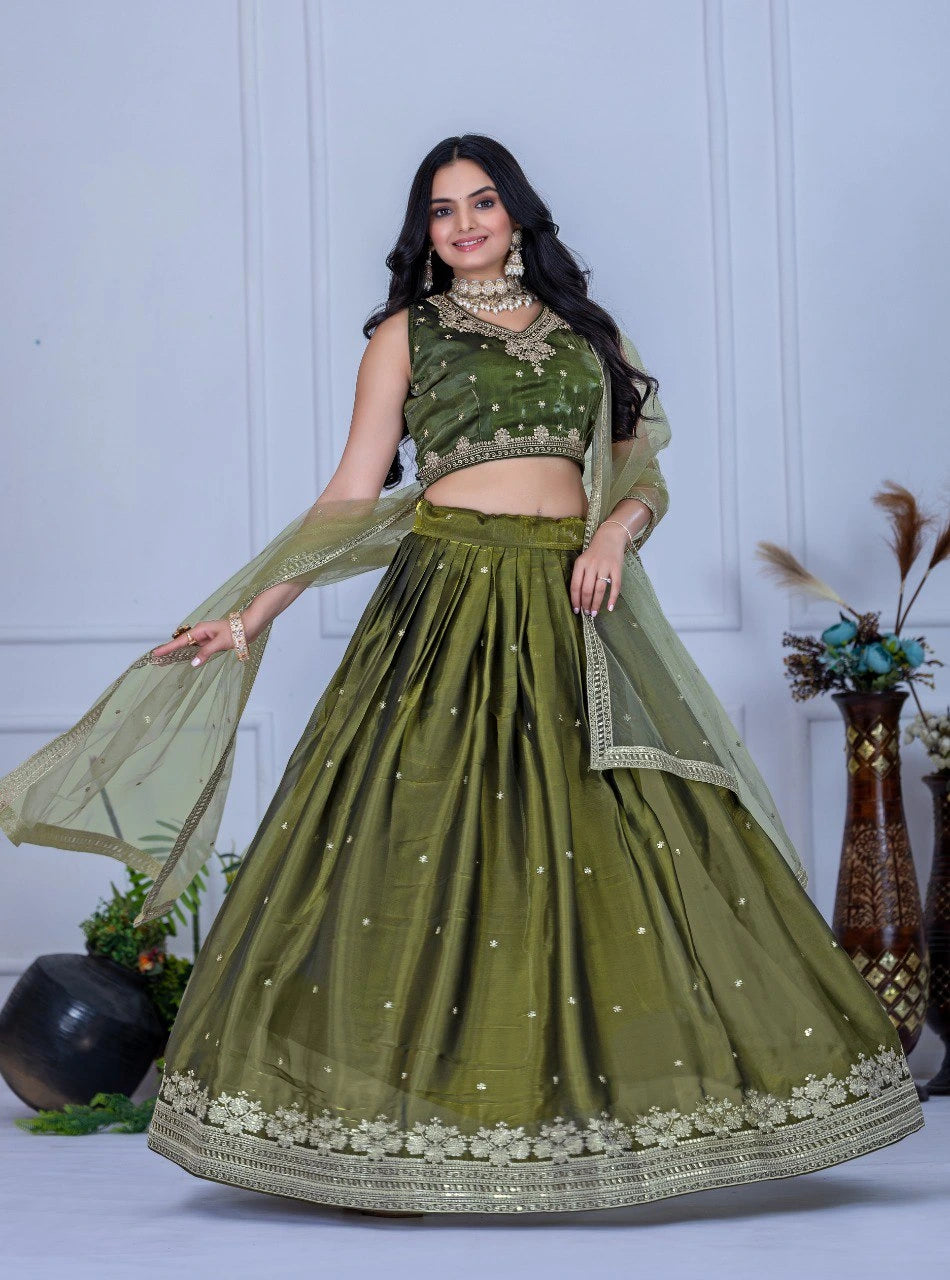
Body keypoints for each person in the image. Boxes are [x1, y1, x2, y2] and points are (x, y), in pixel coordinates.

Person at [0, 135, 924, 1216]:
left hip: (571, 605)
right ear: (423, 234)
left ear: (518, 213)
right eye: (440, 210)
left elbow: (641, 474)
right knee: (415, 854)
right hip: (442, 606)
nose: (464, 222)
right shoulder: (404, 334)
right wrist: (249, 611)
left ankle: (602, 1126)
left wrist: (613, 533)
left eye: (481, 201)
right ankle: (407, 1136)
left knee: (617, 847)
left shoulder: (586, 331)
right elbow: (351, 493)